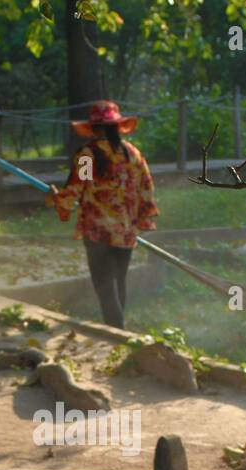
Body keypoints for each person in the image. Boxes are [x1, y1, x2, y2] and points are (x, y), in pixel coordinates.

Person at [47, 100, 159, 329]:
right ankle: (119, 331)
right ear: (117, 126)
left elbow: (78, 187)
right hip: (126, 231)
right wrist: (141, 217)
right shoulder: (132, 154)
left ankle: (117, 334)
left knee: (105, 285)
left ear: (94, 128)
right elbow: (146, 187)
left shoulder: (89, 155)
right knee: (119, 283)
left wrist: (57, 198)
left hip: (98, 232)